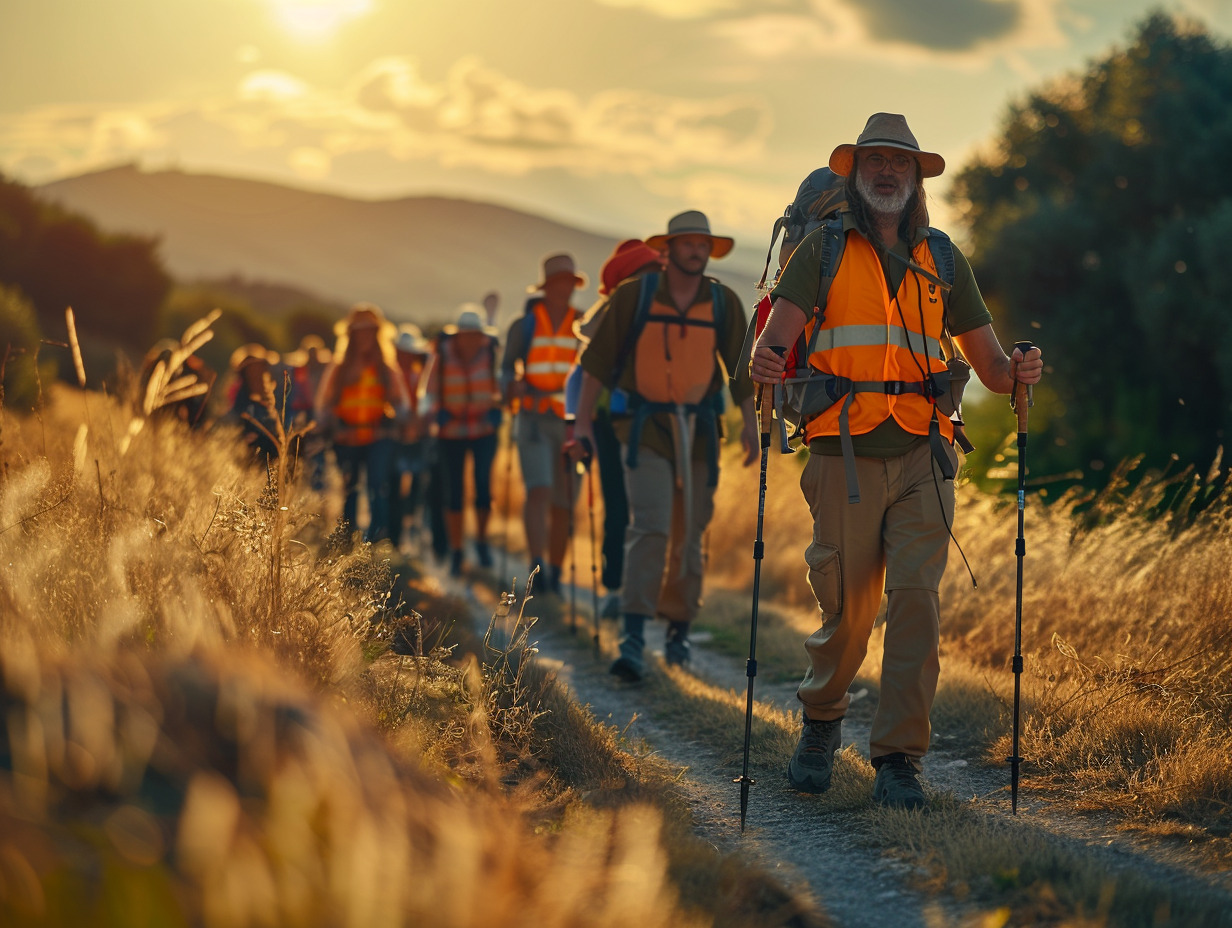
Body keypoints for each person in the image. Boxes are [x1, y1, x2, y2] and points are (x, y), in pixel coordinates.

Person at [749, 113, 1044, 810]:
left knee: (916, 606)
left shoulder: (943, 258)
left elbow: (994, 370)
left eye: (900, 164)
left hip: (924, 455)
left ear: (916, 179)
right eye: (875, 161)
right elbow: (775, 347)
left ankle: (899, 761)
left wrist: (1021, 370)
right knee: (850, 616)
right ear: (856, 173)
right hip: (841, 454)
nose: (887, 172)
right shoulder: (818, 250)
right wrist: (762, 361)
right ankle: (822, 722)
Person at [574, 211, 758, 682]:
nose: (697, 251)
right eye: (688, 243)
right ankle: (633, 638)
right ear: (669, 249)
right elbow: (596, 363)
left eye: (704, 245)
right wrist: (582, 427)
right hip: (643, 429)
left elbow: (740, 371)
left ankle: (678, 630)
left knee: (690, 534)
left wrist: (751, 426)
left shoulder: (722, 302)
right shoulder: (635, 297)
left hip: (699, 433)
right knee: (650, 527)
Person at [566, 239, 667, 619]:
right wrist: (581, 427)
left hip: (649, 420)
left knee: (645, 509)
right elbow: (583, 377)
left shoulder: (658, 310)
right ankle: (615, 587)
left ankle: (636, 590)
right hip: (612, 425)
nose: (656, 277)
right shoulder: (613, 317)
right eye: (648, 271)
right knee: (619, 505)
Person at [501, 254, 585, 594]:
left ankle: (554, 571)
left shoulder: (583, 323)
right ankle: (537, 569)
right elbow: (507, 368)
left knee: (565, 500)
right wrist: (511, 386)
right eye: (559, 282)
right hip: (533, 416)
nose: (565, 288)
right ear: (548, 286)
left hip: (570, 421)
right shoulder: (524, 325)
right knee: (538, 490)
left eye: (569, 282)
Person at [315, 303, 410, 542]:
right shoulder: (339, 369)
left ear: (377, 334)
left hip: (380, 438)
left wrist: (402, 420)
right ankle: (348, 540)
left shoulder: (387, 370)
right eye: (360, 331)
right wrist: (324, 424)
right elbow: (324, 405)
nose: (364, 336)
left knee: (378, 487)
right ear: (352, 335)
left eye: (369, 331)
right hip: (345, 438)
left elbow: (401, 404)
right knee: (350, 490)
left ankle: (377, 542)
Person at [430, 306, 503, 576]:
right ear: (457, 336)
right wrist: (436, 411)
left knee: (483, 488)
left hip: (484, 430)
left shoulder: (492, 354)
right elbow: (428, 392)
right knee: (454, 493)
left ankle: (482, 542)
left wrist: (498, 409)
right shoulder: (441, 356)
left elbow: (502, 388)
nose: (471, 340)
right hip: (451, 434)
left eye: (475, 335)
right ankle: (457, 550)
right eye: (466, 335)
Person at [389, 324, 436, 549]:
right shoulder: (389, 373)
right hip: (395, 437)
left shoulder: (420, 375)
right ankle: (394, 537)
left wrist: (418, 422)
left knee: (417, 488)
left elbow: (426, 403)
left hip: (417, 437)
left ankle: (411, 533)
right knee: (394, 488)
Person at [223, 343, 289, 463]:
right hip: (253, 452)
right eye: (251, 372)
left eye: (259, 370)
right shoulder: (242, 399)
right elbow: (236, 419)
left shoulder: (276, 393)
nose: (255, 375)